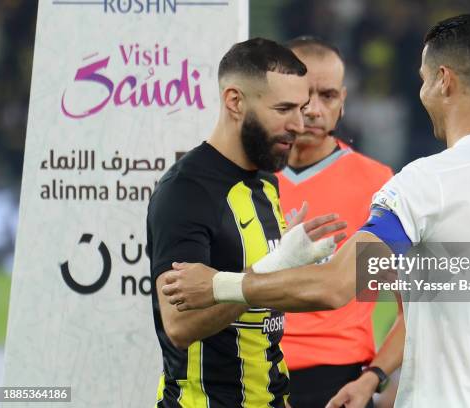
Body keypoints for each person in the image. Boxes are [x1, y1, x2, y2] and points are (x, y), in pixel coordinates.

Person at [162, 15, 470, 408]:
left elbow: (336, 286)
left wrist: (219, 286)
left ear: (443, 81)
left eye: (422, 81)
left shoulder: (428, 182)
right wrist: (378, 375)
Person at [146, 37, 347, 408]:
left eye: (301, 109)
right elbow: (179, 326)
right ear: (235, 102)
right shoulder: (186, 191)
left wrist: (295, 268)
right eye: (284, 109)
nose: (299, 124)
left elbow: (265, 309)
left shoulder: (264, 180)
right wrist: (274, 266)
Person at [276, 36, 404, 408]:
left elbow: (413, 309)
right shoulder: (244, 178)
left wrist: (374, 378)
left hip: (337, 380)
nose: (314, 110)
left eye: (328, 96)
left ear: (343, 102)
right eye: (304, 95)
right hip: (249, 373)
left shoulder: (380, 185)